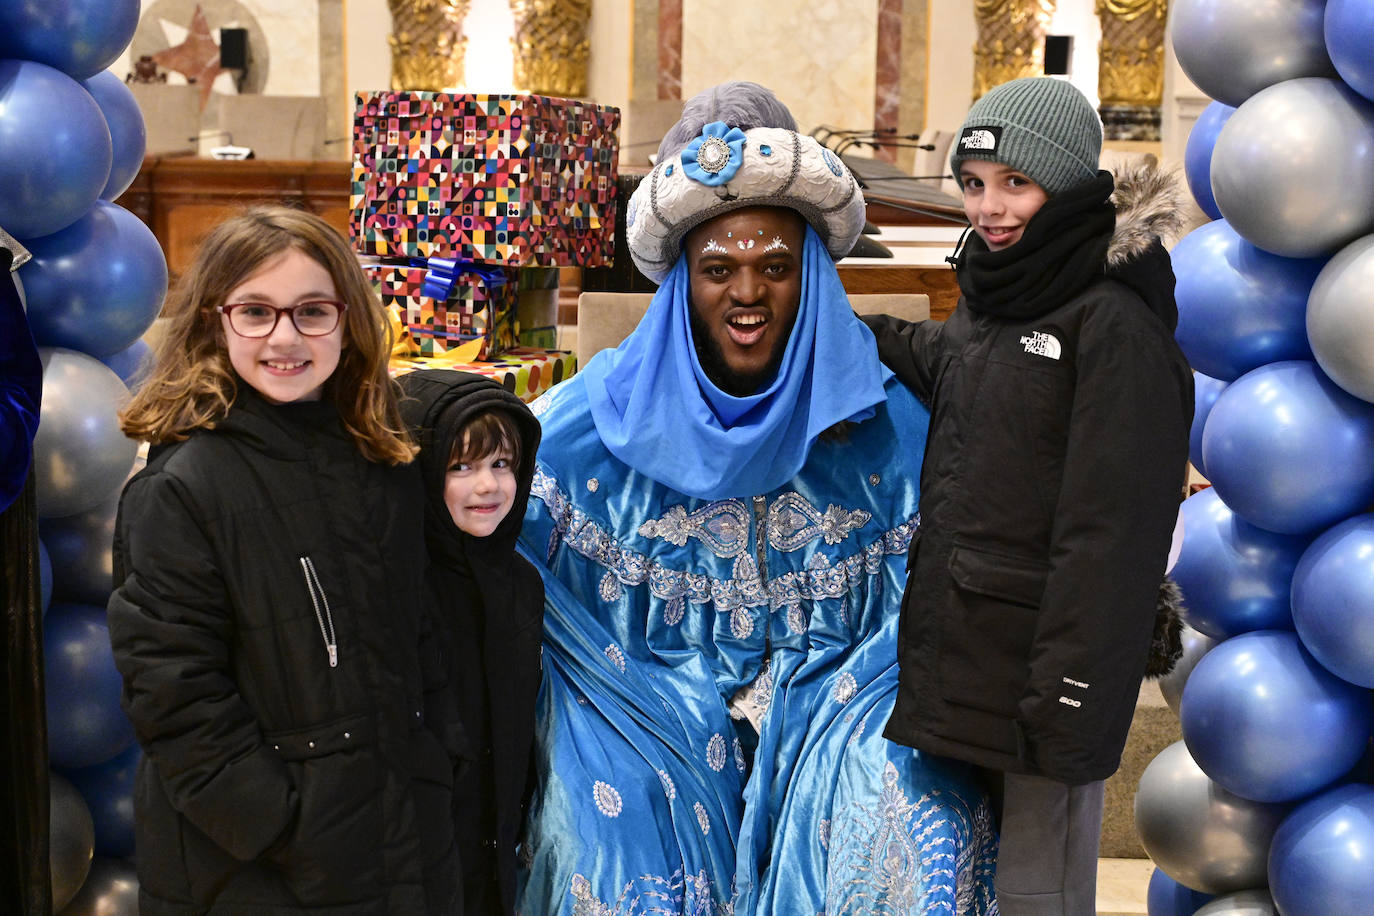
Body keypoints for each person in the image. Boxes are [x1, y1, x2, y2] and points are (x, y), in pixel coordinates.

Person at [515, 82, 998, 914]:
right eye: (718, 269)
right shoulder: (580, 426)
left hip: (848, 699)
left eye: (775, 267)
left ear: (810, 277)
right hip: (636, 699)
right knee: (611, 841)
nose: (747, 293)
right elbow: (497, 525)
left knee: (915, 820)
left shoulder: (897, 423)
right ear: (681, 284)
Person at [863, 77, 1194, 914]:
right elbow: (961, 370)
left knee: (1036, 898)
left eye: (1015, 183)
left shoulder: (1114, 323)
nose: (989, 208)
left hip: (1046, 684)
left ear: (1069, 183)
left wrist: (1069, 694)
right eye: (973, 185)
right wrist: (853, 331)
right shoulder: (999, 296)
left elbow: (1112, 536)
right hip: (973, 659)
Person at [106, 206, 461, 915]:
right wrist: (281, 823)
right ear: (215, 320)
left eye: (311, 312)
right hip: (257, 864)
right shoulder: (182, 488)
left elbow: (416, 633)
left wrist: (438, 758)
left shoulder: (381, 457)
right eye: (257, 312)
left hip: (398, 829)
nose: (285, 337)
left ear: (349, 320)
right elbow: (176, 699)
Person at [397, 369, 544, 916]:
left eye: (501, 464)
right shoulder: (401, 587)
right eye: (462, 467)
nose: (488, 486)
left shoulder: (519, 583)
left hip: (494, 832)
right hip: (421, 843)